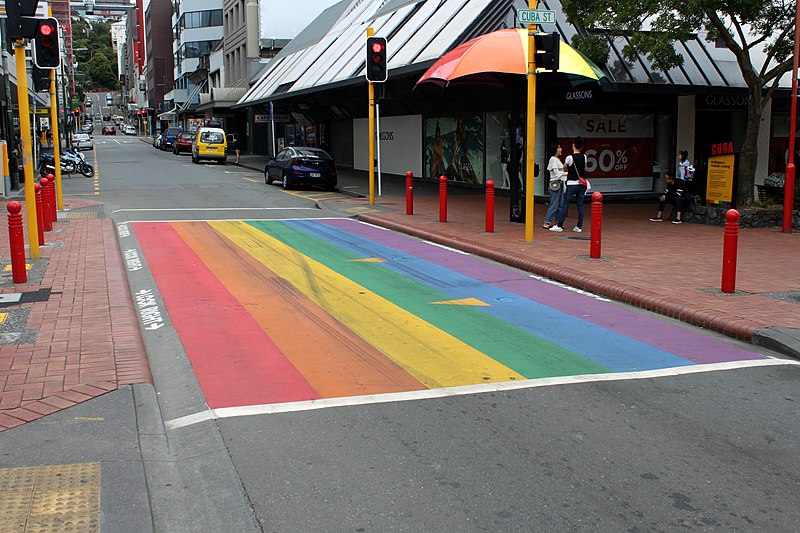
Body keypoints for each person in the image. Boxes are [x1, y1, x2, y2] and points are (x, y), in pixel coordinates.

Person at [550, 136, 588, 233]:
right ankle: (579, 227)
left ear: (573, 145)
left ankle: (559, 225)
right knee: (580, 205)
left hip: (571, 184)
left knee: (565, 204)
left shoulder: (569, 158)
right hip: (582, 184)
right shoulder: (584, 157)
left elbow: (564, 167)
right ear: (582, 147)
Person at [543, 144, 566, 229]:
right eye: (559, 148)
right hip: (555, 183)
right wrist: (566, 174)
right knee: (555, 204)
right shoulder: (553, 159)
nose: (560, 149)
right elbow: (556, 174)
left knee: (560, 204)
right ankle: (547, 222)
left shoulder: (557, 160)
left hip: (559, 183)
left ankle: (558, 222)